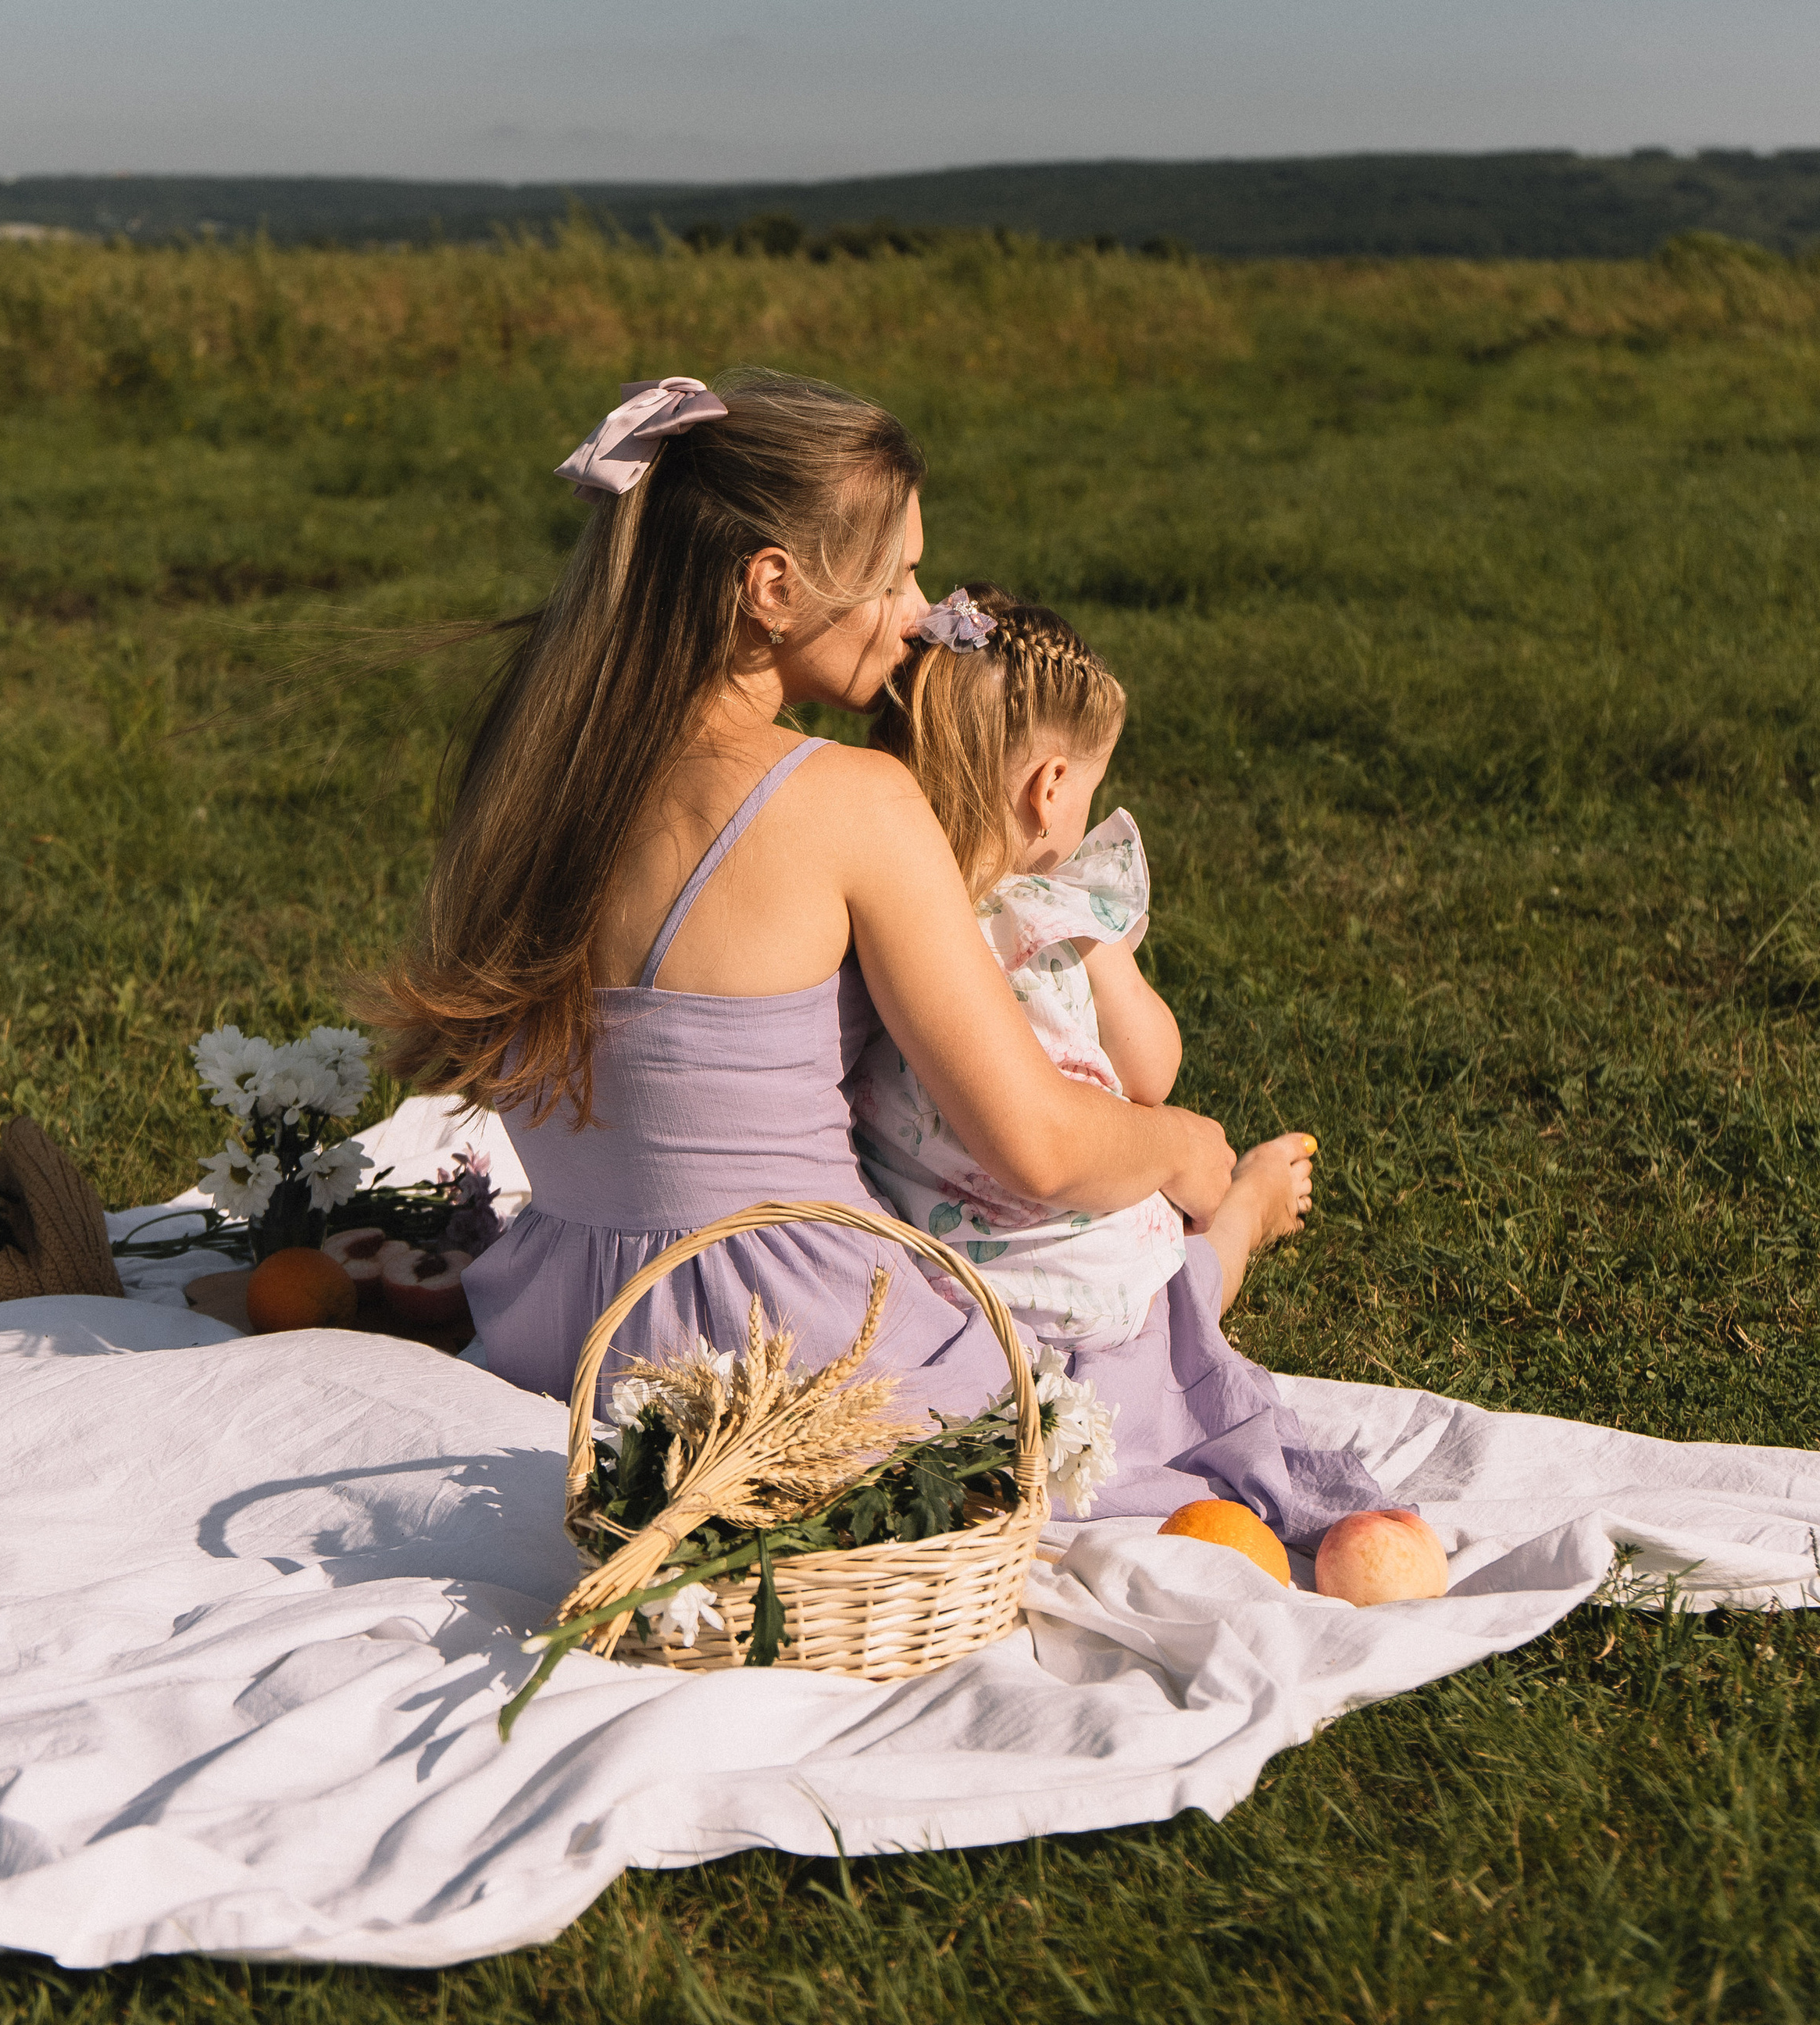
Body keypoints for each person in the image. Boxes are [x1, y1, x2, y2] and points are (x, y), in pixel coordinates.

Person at [363, 367, 1378, 1538]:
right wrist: (1188, 1152)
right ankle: (1241, 1223)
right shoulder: (848, 799)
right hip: (781, 1345)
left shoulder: (538, 768)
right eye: (894, 574)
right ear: (774, 588)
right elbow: (1039, 1149)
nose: (918, 611)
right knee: (1103, 1380)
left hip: (566, 1312)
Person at [853, 581, 1313, 1348]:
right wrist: (1103, 953)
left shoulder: (873, 909)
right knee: (1182, 1297)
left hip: (932, 1284)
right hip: (1082, 1287)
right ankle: (1249, 1213)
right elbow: (1150, 1072)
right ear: (1051, 787)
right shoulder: (1052, 916)